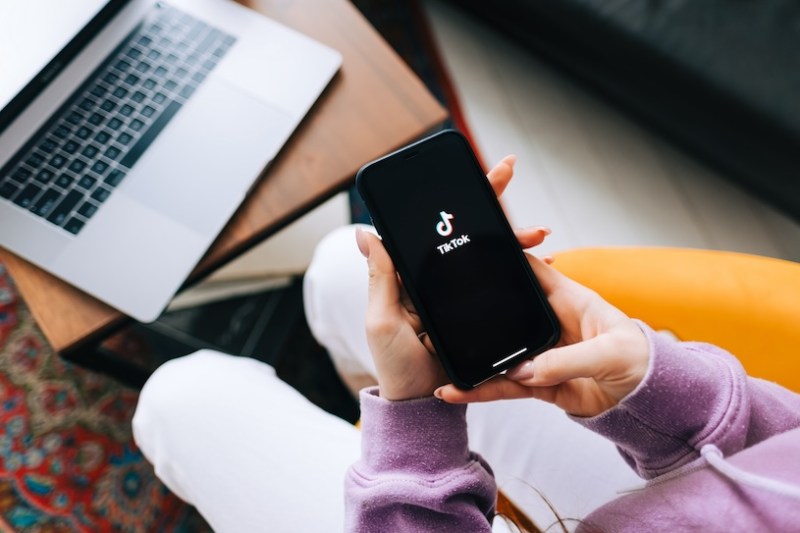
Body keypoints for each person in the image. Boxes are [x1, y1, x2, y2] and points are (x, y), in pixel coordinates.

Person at [133, 157, 800, 532]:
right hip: (685, 493)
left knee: (179, 396)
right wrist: (668, 393)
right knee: (348, 265)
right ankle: (355, 404)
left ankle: (373, 440)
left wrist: (415, 429)